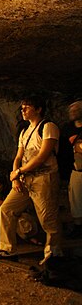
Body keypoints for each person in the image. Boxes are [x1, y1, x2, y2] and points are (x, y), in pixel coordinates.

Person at [0, 95, 62, 263]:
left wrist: (19, 171)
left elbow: (42, 156)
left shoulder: (48, 127)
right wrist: (15, 177)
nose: (23, 110)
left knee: (47, 217)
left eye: (27, 107)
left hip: (44, 178)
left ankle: (53, 253)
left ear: (38, 109)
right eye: (22, 107)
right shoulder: (25, 131)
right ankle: (7, 249)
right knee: (6, 209)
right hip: (25, 180)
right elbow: (18, 156)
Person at [64, 101, 82, 238]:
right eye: (71, 110)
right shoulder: (68, 129)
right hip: (76, 169)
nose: (72, 112)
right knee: (75, 200)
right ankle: (78, 227)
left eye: (76, 110)